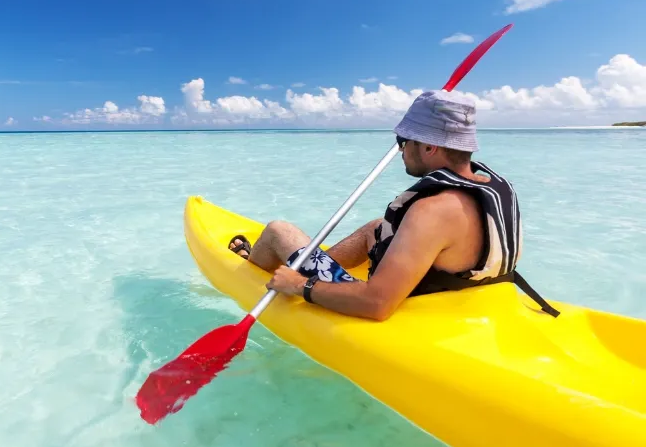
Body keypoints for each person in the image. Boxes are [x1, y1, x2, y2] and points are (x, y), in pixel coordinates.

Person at [227, 89, 559, 321]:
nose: (400, 150)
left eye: (404, 142)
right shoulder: (493, 184)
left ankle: (256, 270)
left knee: (277, 230)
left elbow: (378, 304)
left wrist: (300, 286)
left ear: (429, 147)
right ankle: (312, 264)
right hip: (465, 289)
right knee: (377, 227)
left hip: (409, 304)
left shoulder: (433, 211)